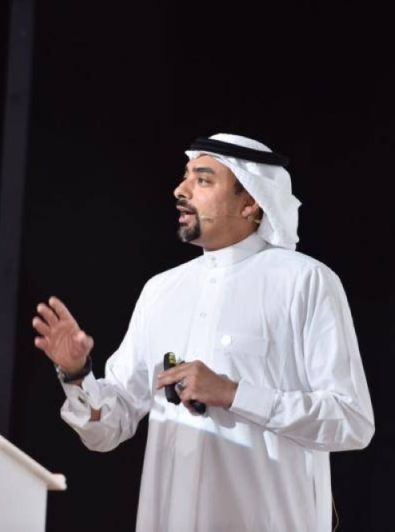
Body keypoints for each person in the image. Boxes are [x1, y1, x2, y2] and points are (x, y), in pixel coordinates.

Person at [32, 133, 375, 531]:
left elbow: (351, 421)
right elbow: (109, 428)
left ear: (250, 203)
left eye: (203, 180)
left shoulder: (304, 281)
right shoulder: (161, 290)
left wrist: (233, 394)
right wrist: (77, 374)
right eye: (185, 177)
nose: (181, 190)